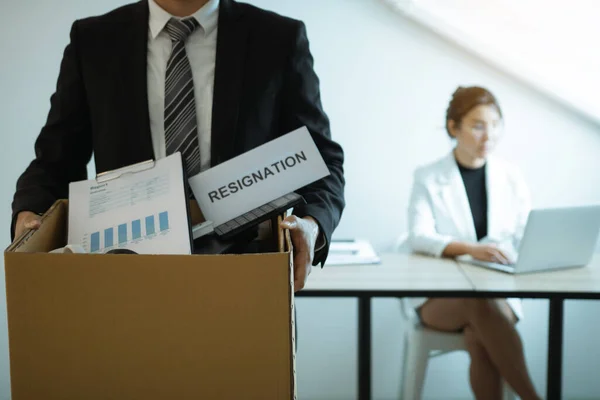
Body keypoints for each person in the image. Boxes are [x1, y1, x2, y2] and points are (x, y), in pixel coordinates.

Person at [10, 0, 345, 291]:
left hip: (249, 277)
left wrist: (312, 224)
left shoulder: (277, 38)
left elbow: (320, 159)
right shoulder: (94, 41)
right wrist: (30, 216)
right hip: (122, 281)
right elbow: (55, 160)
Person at [407, 86, 541, 400]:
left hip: (499, 294)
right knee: (476, 302)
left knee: (479, 333)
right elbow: (418, 235)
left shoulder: (510, 176)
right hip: (441, 299)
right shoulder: (428, 176)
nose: (489, 135)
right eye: (478, 126)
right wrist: (470, 249)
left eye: (495, 125)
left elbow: (527, 233)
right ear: (454, 128)